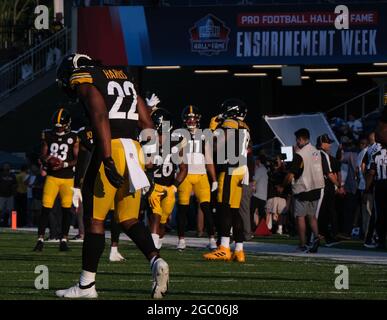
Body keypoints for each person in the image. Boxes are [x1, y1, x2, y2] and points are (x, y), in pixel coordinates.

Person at [55, 53, 168, 299]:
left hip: (112, 147)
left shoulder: (85, 78)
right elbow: (147, 121)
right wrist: (148, 160)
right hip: (135, 149)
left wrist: (106, 158)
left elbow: (100, 116)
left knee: (95, 219)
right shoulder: (124, 78)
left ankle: (86, 286)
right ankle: (156, 261)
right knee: (128, 218)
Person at [203, 98, 250, 263]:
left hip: (230, 168)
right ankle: (239, 249)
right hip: (241, 169)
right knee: (235, 210)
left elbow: (219, 144)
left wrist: (211, 130)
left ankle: (224, 247)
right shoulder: (245, 126)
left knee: (224, 208)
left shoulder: (230, 122)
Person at [33, 108, 79, 252]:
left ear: (68, 124)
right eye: (57, 127)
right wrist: (48, 159)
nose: (58, 129)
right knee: (45, 208)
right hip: (52, 177)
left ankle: (64, 240)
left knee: (67, 210)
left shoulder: (74, 137)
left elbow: (78, 159)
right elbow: (42, 154)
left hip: (67, 178)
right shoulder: (47, 134)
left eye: (61, 126)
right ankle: (40, 239)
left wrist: (64, 163)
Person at [176, 105, 218, 251]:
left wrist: (214, 179)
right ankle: (181, 239)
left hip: (201, 175)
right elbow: (176, 156)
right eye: (189, 119)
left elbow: (209, 159)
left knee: (206, 208)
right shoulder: (179, 135)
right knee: (182, 209)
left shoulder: (203, 136)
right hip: (185, 176)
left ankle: (212, 238)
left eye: (194, 119)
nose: (191, 121)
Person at [147, 107, 188, 250]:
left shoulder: (175, 143)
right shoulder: (149, 141)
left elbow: (183, 169)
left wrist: (174, 187)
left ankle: (156, 242)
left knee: (163, 222)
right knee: (155, 216)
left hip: (168, 187)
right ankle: (152, 248)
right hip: (154, 185)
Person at [282, 128, 324, 253]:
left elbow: (291, 175)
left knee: (300, 217)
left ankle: (302, 244)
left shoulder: (300, 155)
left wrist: (283, 186)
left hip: (303, 188)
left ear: (300, 139)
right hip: (317, 187)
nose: (296, 143)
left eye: (297, 140)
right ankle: (316, 238)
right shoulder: (316, 151)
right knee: (312, 217)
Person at [316, 134, 343, 246]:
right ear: (322, 143)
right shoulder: (323, 155)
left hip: (315, 186)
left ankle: (325, 236)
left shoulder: (313, 153)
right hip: (325, 187)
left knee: (321, 214)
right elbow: (330, 174)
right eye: (328, 143)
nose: (330, 145)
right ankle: (317, 237)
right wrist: (339, 186)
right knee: (321, 214)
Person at [366, 143, 387, 249]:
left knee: (380, 213)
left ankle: (381, 240)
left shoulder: (376, 155)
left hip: (380, 185)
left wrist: (366, 188)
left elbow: (371, 173)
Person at [250, 155, 268, 231]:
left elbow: (254, 181)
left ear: (258, 161)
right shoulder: (265, 169)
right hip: (263, 195)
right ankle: (262, 228)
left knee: (250, 211)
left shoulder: (259, 170)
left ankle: (252, 227)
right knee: (262, 213)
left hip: (257, 195)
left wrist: (250, 189)